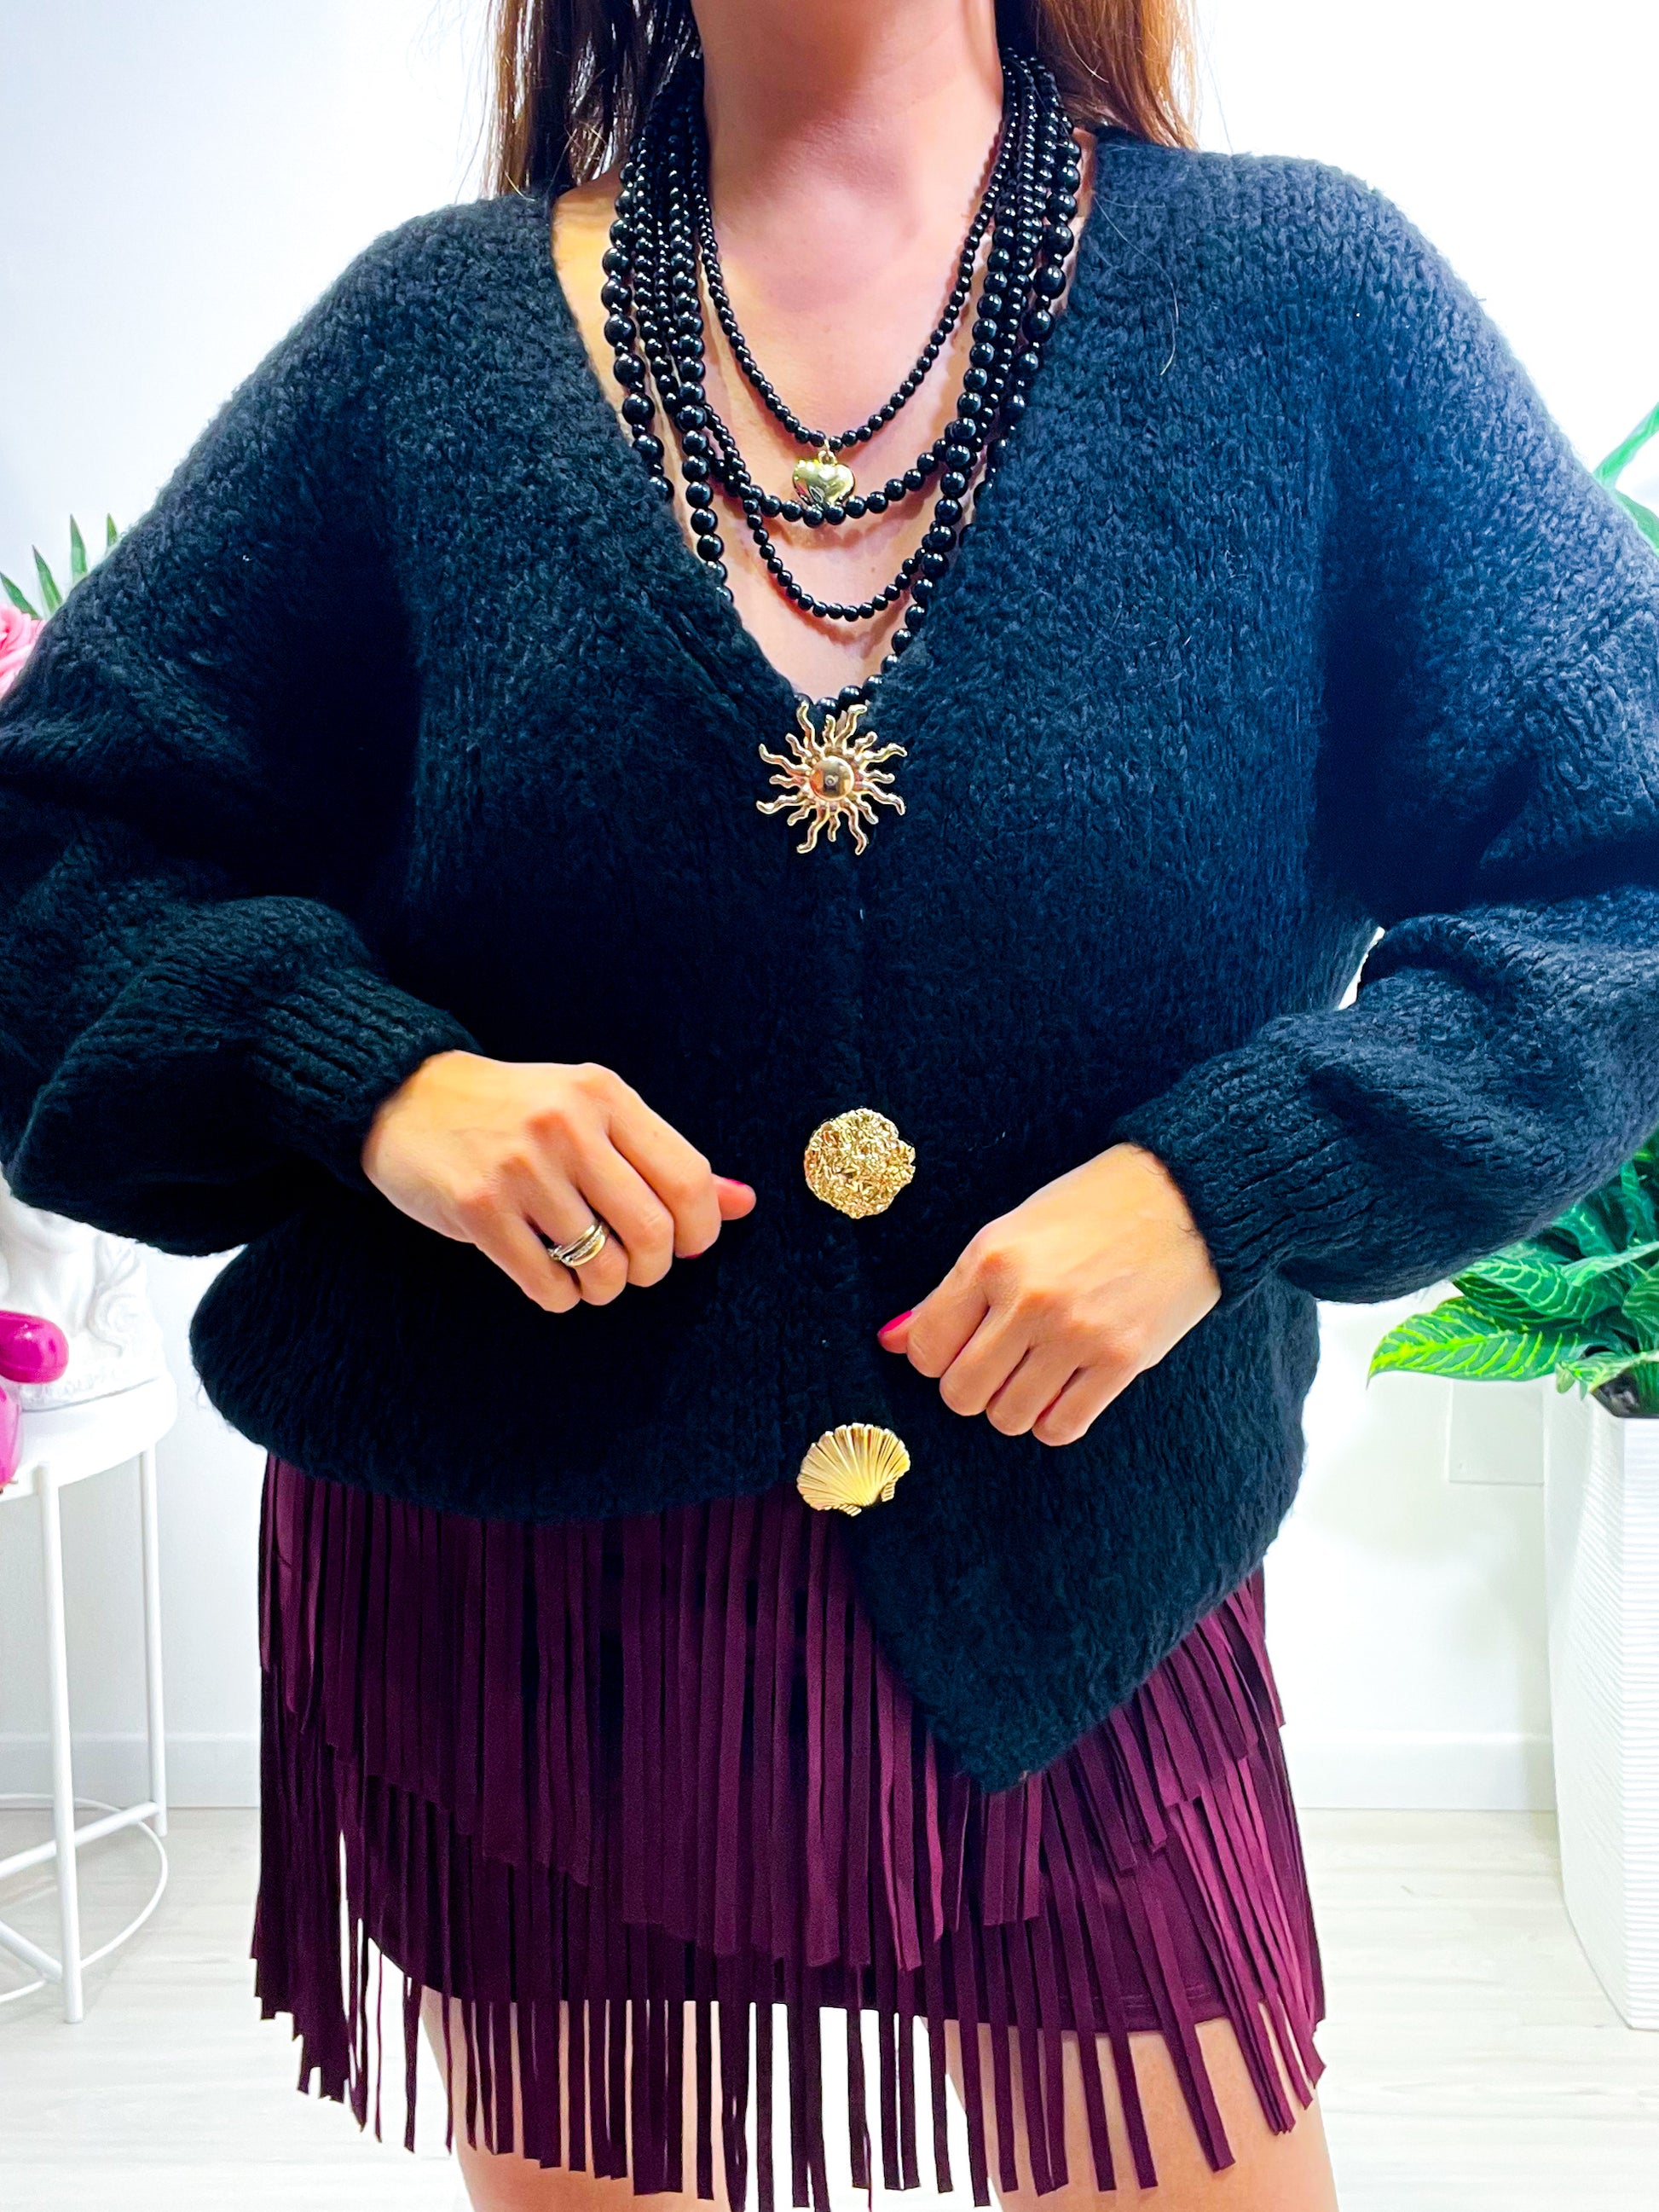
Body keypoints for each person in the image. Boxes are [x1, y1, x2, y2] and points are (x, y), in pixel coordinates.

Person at [3, 0, 1658, 2205]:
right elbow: (56, 846)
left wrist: (1229, 1182)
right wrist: (369, 1078)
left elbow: (1624, 859)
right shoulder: (428, 353)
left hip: (1075, 1561)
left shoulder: (1301, 311)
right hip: (528, 1581)